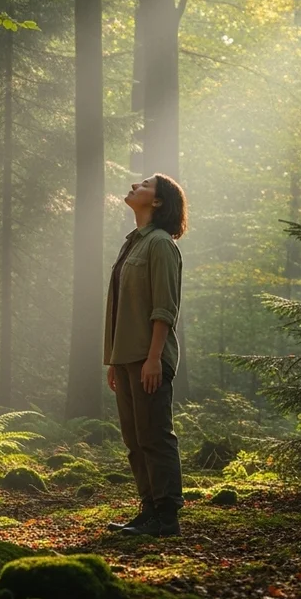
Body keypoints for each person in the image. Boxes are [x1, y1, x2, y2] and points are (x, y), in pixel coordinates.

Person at [103, 173, 187, 537]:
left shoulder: (160, 245)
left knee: (155, 435)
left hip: (148, 357)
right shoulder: (132, 243)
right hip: (126, 358)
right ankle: (148, 510)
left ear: (157, 202)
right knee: (134, 440)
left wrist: (154, 358)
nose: (135, 185)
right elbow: (121, 307)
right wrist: (114, 361)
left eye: (145, 185)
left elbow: (164, 308)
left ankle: (166, 517)